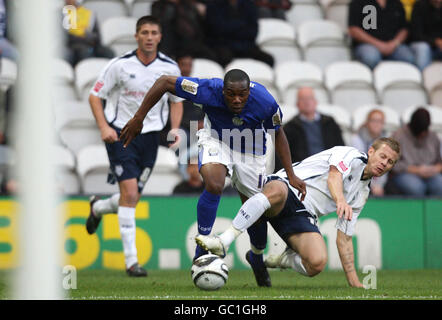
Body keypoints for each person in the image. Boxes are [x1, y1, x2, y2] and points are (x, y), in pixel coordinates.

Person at [119, 69, 307, 261]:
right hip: (217, 140)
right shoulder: (208, 89)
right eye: (231, 94)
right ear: (223, 91)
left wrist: (291, 174)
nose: (236, 100)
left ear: (248, 93)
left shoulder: (265, 102)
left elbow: (278, 133)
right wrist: (138, 118)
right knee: (214, 184)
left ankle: (257, 256)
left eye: (242, 95)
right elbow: (164, 82)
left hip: (251, 151)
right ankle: (202, 250)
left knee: (256, 211)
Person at [196, 138, 401, 287]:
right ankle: (224, 240)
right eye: (383, 156)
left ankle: (279, 259)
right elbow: (334, 176)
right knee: (276, 190)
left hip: (303, 215)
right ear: (371, 151)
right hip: (288, 188)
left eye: (390, 162)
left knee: (317, 263)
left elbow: (345, 238)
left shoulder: (362, 193)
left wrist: (355, 282)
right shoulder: (350, 155)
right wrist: (340, 200)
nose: (384, 163)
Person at [84, 16, 184, 277]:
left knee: (132, 197)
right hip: (121, 134)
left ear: (160, 37)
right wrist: (104, 127)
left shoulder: (170, 67)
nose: (149, 37)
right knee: (130, 194)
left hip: (150, 138)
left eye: (154, 32)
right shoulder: (119, 65)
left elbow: (176, 100)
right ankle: (131, 262)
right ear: (136, 36)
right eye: (144, 32)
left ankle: (98, 207)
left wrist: (174, 127)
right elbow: (95, 96)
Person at [275, 87, 345, 170]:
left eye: (309, 98)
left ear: (315, 102)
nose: (307, 102)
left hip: (330, 168)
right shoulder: (289, 128)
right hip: (304, 171)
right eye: (302, 99)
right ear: (297, 104)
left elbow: (341, 148)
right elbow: (283, 156)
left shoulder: (330, 123)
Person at [204, 0, 274, 67]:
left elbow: (252, 32)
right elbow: (218, 29)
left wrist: (230, 27)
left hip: (245, 45)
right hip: (223, 45)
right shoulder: (214, 5)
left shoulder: (249, 5)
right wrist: (242, 24)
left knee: (268, 59)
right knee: (223, 57)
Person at [348, 0, 415, 69]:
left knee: (408, 57)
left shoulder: (396, 3)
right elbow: (354, 30)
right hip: (367, 45)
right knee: (371, 57)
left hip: (393, 46)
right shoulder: (358, 2)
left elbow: (404, 29)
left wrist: (394, 44)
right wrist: (380, 45)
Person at [390, 107, 442, 196]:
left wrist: (435, 169)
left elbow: (439, 161)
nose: (423, 134)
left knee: (439, 185)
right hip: (405, 173)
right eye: (420, 131)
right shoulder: (398, 136)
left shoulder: (433, 136)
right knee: (416, 188)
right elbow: (392, 164)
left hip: (430, 173)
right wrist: (416, 170)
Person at [63, 0, 115, 66]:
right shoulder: (62, 14)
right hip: (73, 46)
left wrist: (89, 37)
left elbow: (97, 36)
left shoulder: (89, 13)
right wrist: (85, 38)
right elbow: (64, 37)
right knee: (84, 52)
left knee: (108, 52)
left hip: (90, 44)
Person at [350, 109, 388, 196]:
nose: (376, 124)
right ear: (367, 122)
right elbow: (360, 165)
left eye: (380, 121)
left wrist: (379, 185)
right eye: (373, 120)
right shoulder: (356, 138)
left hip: (378, 180)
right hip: (359, 178)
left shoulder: (386, 140)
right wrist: (373, 185)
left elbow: (386, 165)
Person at [410, 0, 442, 71]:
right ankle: (424, 79)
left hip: (439, 48)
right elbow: (416, 35)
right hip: (421, 44)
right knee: (423, 48)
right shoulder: (419, 5)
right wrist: (436, 41)